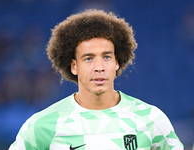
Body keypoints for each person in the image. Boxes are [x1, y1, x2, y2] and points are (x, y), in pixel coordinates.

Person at [9, 9, 183, 150]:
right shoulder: (41, 126)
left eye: (106, 57)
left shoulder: (152, 120)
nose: (99, 67)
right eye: (88, 58)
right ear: (74, 66)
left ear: (117, 61)